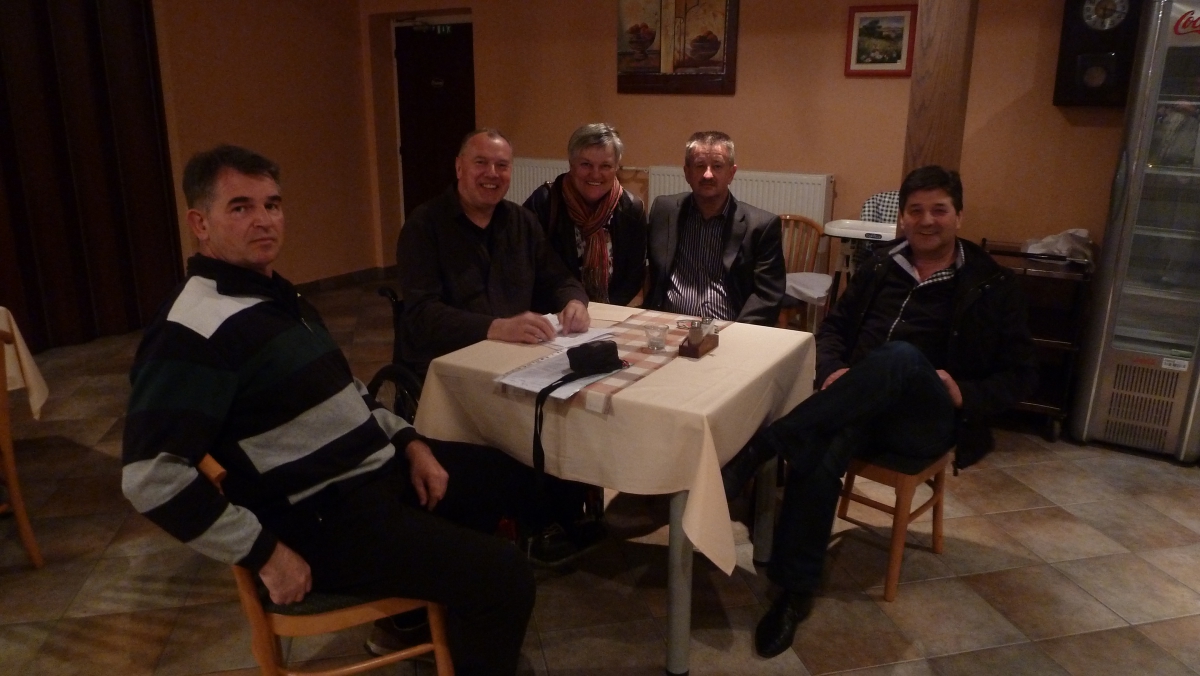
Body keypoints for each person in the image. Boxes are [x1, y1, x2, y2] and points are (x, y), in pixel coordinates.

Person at [122, 145, 545, 674]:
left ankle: (418, 622)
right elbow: (150, 476)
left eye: (272, 204)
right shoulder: (190, 331)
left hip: (370, 475)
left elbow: (348, 392)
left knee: (502, 474)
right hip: (320, 518)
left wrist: (409, 443)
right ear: (199, 223)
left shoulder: (276, 296)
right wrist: (264, 553)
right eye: (241, 207)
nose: (264, 220)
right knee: (504, 575)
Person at [721, 165, 1036, 658]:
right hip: (860, 405)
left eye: (939, 210)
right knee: (820, 446)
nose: (926, 221)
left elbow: (1022, 376)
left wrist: (965, 393)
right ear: (902, 218)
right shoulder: (879, 265)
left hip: (925, 419)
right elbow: (833, 329)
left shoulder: (992, 284)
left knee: (902, 357)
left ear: (958, 215)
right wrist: (833, 371)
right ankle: (793, 592)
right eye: (916, 211)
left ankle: (764, 445)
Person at [397, 128, 591, 377]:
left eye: (502, 165)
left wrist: (574, 302)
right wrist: (496, 327)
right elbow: (421, 314)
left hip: (515, 353)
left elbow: (558, 279)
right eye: (481, 162)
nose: (492, 173)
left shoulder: (523, 222)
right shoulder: (424, 226)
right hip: (447, 359)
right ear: (459, 167)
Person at [644, 131, 785, 325]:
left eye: (717, 166)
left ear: (731, 173)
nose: (708, 174)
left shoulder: (761, 226)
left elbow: (767, 297)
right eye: (700, 166)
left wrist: (735, 333)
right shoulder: (664, 211)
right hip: (668, 324)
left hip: (729, 329)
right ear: (687, 172)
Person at [523, 123, 647, 306]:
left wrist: (603, 312)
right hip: (555, 311)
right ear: (571, 164)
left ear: (616, 167)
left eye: (605, 166)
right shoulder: (544, 202)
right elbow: (531, 270)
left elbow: (634, 277)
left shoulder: (632, 209)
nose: (595, 175)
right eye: (586, 164)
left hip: (609, 311)